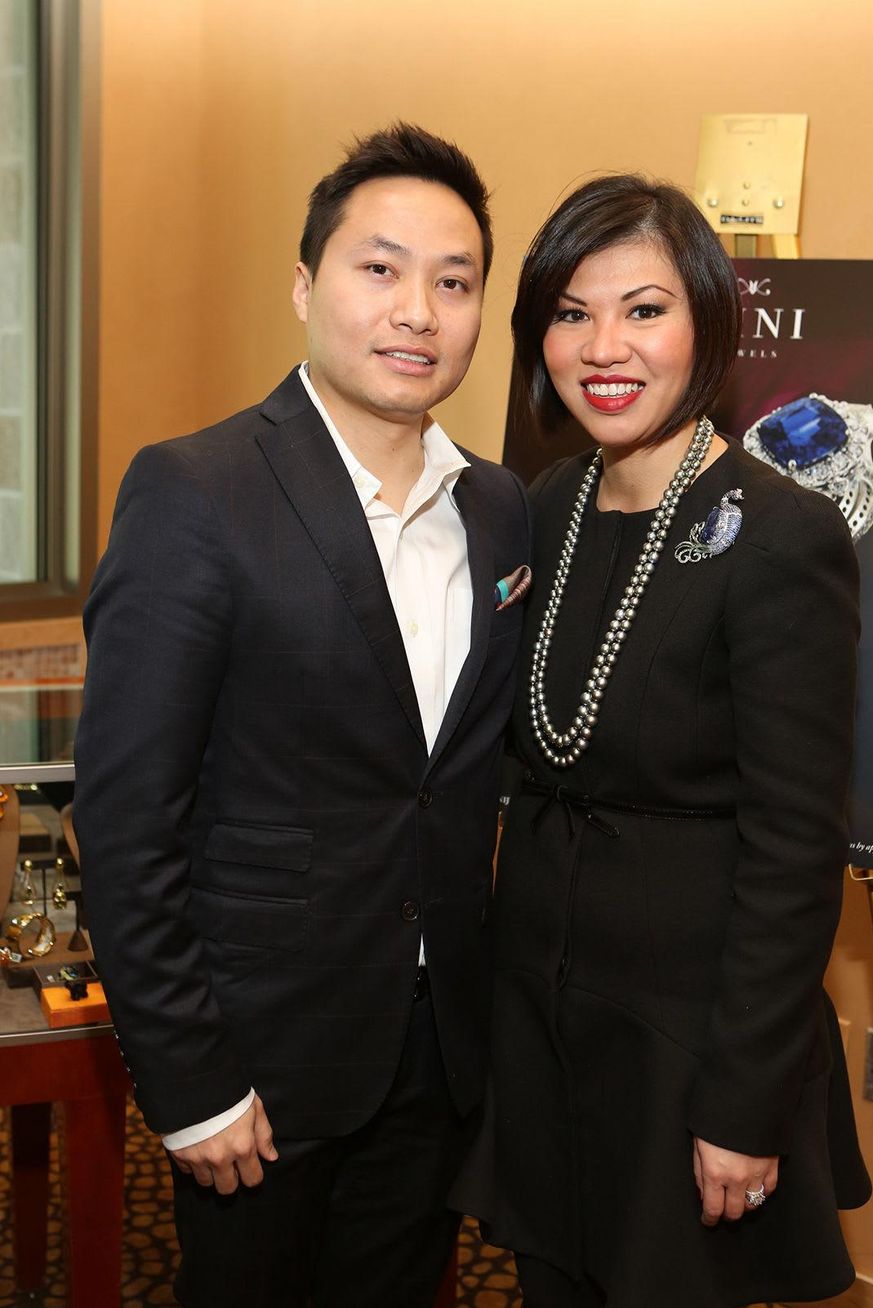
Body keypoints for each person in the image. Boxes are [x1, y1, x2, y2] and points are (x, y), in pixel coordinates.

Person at [73, 123, 531, 1308]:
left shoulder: (498, 511)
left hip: (439, 1053)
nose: (415, 311)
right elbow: (125, 823)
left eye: (453, 280)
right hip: (260, 1066)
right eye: (377, 269)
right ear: (305, 286)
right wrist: (188, 1080)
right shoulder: (195, 490)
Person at [453, 175, 871, 1307]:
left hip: (685, 1049)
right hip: (541, 1028)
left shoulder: (782, 535)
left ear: (705, 325)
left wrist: (740, 1104)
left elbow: (795, 851)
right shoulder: (535, 509)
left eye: (643, 310)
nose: (605, 346)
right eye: (572, 312)